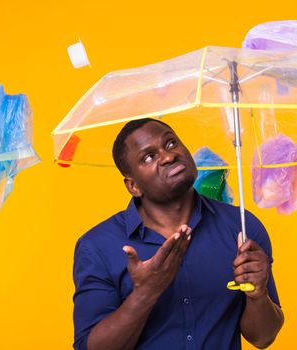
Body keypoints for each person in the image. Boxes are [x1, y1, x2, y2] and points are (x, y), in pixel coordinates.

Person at [73, 118, 284, 350]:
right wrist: (144, 294)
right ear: (133, 186)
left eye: (171, 143)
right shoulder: (97, 247)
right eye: (149, 157)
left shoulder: (242, 228)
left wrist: (258, 295)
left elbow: (263, 338)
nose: (168, 156)